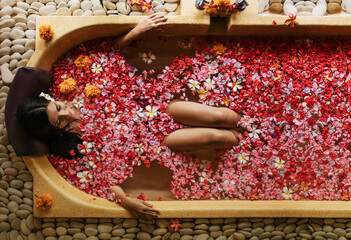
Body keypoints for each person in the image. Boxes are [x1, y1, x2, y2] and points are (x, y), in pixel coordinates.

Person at [16, 14, 242, 220]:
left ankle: (248, 125)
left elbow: (107, 53)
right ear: (55, 130)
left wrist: (136, 31)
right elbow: (99, 182)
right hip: (157, 143)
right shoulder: (74, 146)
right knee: (218, 138)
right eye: (59, 120)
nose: (67, 112)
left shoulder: (74, 83)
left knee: (220, 117)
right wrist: (125, 201)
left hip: (159, 108)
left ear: (51, 98)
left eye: (58, 106)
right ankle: (244, 142)